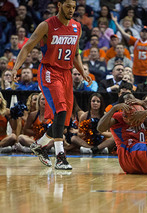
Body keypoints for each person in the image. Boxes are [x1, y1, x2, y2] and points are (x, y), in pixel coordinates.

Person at [11, 0, 92, 170]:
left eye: (73, 7)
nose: (71, 10)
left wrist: (83, 72)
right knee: (60, 110)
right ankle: (60, 157)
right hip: (49, 72)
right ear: (59, 5)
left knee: (63, 118)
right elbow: (27, 47)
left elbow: (75, 54)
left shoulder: (77, 26)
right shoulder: (47, 25)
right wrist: (15, 69)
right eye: (68, 6)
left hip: (66, 74)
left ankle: (40, 145)